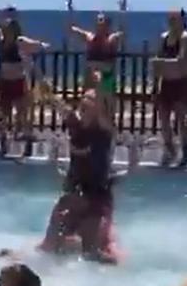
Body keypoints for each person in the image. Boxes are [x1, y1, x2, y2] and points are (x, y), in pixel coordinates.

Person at [34, 84, 122, 264]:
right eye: (85, 97)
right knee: (50, 245)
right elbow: (55, 100)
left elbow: (106, 99)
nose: (86, 100)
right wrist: (30, 67)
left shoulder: (104, 130)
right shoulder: (74, 123)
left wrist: (103, 80)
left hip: (97, 194)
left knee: (93, 252)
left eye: (91, 98)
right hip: (73, 190)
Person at [0, 6, 50, 158]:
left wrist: (41, 45)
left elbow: (33, 44)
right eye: (6, 28)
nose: (6, 30)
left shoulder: (19, 41)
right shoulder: (1, 40)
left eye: (9, 28)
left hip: (18, 82)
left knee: (23, 115)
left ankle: (27, 143)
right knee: (4, 114)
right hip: (5, 82)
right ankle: (3, 143)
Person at [151, 9, 187, 167]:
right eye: (170, 19)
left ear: (182, 20)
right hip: (166, 82)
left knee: (181, 119)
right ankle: (170, 149)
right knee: (163, 118)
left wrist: (161, 63)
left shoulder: (186, 38)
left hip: (182, 82)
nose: (172, 22)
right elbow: (157, 63)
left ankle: (185, 151)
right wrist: (154, 85)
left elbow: (181, 61)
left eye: (175, 19)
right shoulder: (163, 38)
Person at [67, 0, 126, 119]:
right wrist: (70, 9)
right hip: (90, 73)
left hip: (106, 74)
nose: (100, 23)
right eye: (98, 21)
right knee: (88, 98)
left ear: (107, 24)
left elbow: (123, 32)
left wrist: (122, 11)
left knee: (108, 101)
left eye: (102, 21)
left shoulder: (111, 39)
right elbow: (72, 29)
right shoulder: (90, 37)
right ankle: (88, 122)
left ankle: (108, 123)